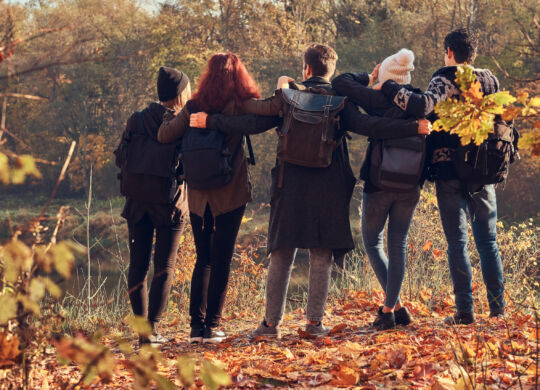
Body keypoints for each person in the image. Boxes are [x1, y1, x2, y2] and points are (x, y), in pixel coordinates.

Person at [190, 44, 430, 338]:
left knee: (282, 252)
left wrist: (211, 119)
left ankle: (270, 324)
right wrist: (412, 128)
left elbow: (251, 123)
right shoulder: (341, 101)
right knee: (321, 253)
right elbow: (372, 126)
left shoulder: (289, 99)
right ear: (329, 71)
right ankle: (314, 324)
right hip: (327, 186)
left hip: (289, 185)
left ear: (306, 69)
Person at [379, 29, 505, 325]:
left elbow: (423, 106)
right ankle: (498, 310)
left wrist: (387, 87)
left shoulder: (445, 77)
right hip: (484, 170)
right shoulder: (490, 80)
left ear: (449, 50)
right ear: (473, 53)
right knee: (488, 241)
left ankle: (465, 311)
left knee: (457, 242)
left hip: (450, 169)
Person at [157, 53, 262, 344]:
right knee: (222, 259)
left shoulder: (193, 106)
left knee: (203, 259)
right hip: (230, 193)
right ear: (238, 75)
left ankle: (196, 328)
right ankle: (212, 327)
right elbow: (259, 123)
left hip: (198, 194)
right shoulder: (237, 107)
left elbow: (165, 135)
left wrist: (197, 121)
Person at [332, 48, 431, 329]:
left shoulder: (378, 99)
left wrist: (370, 77)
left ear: (388, 77)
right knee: (397, 243)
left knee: (373, 243)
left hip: (379, 183)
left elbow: (340, 82)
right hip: (410, 184)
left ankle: (389, 309)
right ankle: (395, 306)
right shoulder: (421, 103)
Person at [116, 66, 190, 346]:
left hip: (136, 202)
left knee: (137, 265)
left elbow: (120, 158)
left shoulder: (136, 120)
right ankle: (153, 329)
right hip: (170, 204)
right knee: (164, 266)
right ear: (181, 93)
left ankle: (142, 333)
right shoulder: (180, 122)